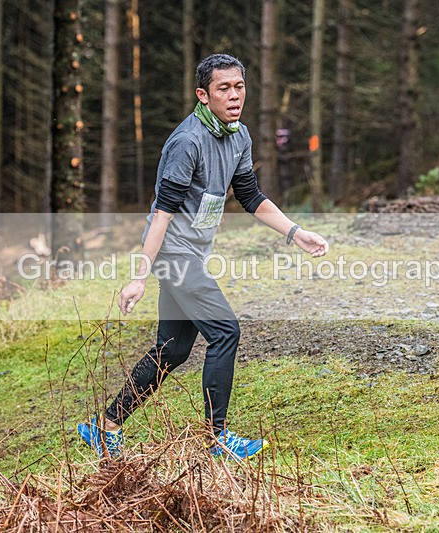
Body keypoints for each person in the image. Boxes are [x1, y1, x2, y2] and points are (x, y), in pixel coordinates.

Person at [78, 53, 329, 460]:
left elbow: (250, 197)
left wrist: (296, 233)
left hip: (192, 254)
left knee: (172, 350)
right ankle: (216, 440)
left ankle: (104, 427)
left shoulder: (239, 136)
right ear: (203, 94)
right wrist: (140, 275)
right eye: (223, 88)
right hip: (175, 257)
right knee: (226, 331)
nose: (234, 96)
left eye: (239, 87)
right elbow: (162, 213)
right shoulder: (187, 141)